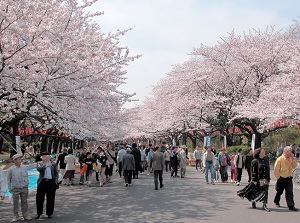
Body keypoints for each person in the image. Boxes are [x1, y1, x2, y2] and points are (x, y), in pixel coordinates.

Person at [7, 154, 32, 222]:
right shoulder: (10, 169)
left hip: (24, 187)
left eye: (21, 159)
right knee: (15, 203)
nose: (20, 160)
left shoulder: (24, 167)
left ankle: (25, 215)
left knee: (24, 202)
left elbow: (26, 176)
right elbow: (8, 180)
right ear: (14, 160)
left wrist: (27, 184)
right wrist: (10, 188)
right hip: (15, 188)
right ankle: (16, 215)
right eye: (19, 159)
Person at [273, 146, 298, 211]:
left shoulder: (290, 159)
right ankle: (276, 201)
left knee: (290, 192)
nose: (291, 153)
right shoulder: (280, 159)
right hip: (281, 178)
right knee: (279, 191)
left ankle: (291, 205)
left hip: (289, 178)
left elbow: (294, 166)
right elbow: (276, 169)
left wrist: (293, 159)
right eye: (290, 151)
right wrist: (278, 177)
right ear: (286, 152)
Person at [35, 151, 58, 219]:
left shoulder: (53, 164)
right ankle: (39, 213)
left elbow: (56, 173)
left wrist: (56, 181)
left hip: (51, 181)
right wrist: (46, 166)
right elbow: (39, 169)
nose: (46, 158)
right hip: (42, 182)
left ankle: (49, 213)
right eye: (44, 157)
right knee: (39, 198)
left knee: (51, 198)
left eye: (47, 156)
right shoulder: (40, 163)